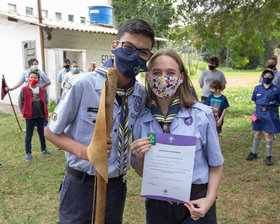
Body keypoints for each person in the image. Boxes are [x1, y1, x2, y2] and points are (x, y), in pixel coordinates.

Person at [44, 19, 155, 224]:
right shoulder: (83, 84)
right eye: (128, 47)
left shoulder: (140, 94)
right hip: (82, 184)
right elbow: (51, 132)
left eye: (143, 52)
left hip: (116, 187)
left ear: (148, 56)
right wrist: (85, 151)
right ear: (114, 46)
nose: (134, 55)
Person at [130, 49, 224, 224]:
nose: (163, 78)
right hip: (158, 203)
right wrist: (139, 157)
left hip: (196, 200)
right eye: (156, 72)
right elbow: (142, 172)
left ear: (181, 77)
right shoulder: (141, 121)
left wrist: (209, 200)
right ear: (148, 78)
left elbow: (216, 164)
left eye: (170, 73)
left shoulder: (202, 116)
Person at [246, 69, 280, 166]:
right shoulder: (257, 88)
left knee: (268, 134)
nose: (267, 78)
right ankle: (254, 152)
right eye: (265, 76)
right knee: (257, 133)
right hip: (259, 113)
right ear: (262, 77)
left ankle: (269, 156)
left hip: (270, 113)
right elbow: (254, 99)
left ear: (272, 78)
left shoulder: (276, 89)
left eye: (269, 76)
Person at [18, 71, 53, 161]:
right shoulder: (24, 89)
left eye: (35, 78)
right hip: (30, 116)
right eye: (31, 77)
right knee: (29, 134)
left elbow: (44, 101)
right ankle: (28, 153)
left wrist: (45, 112)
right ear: (28, 79)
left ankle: (44, 149)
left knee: (42, 133)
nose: (33, 79)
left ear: (38, 80)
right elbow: (20, 101)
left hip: (40, 115)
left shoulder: (41, 89)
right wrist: (23, 112)